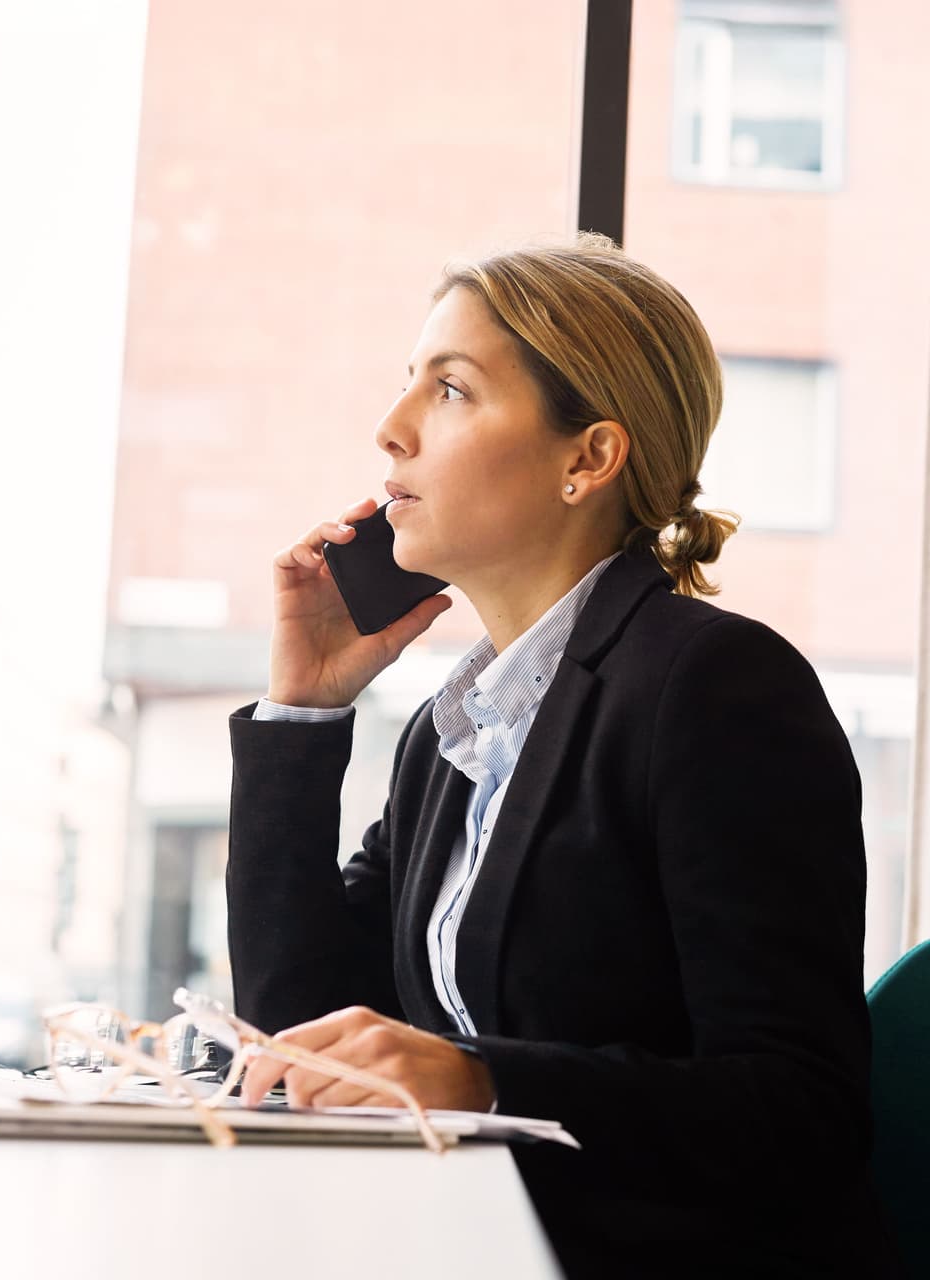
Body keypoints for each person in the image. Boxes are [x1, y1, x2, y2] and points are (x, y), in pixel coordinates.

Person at [225, 233, 900, 1277]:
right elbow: (303, 1028)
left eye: (449, 390)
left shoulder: (716, 688)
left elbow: (797, 1110)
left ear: (588, 457)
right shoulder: (458, 732)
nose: (390, 429)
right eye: (409, 384)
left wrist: (482, 1077)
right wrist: (301, 715)